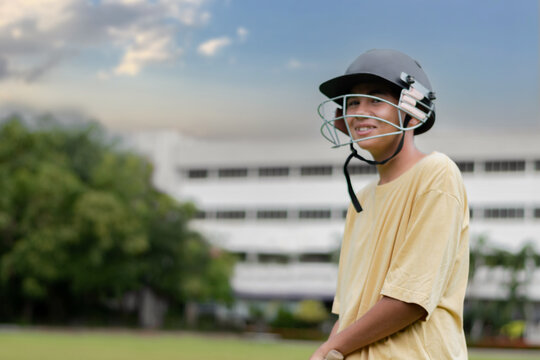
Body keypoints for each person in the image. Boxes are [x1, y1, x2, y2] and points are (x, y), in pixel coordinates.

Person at [310, 49, 469, 359]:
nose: (359, 111)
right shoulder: (363, 199)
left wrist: (331, 348)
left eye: (376, 99)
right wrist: (331, 352)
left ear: (412, 108)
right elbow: (350, 310)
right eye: (352, 102)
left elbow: (409, 300)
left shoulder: (436, 173)